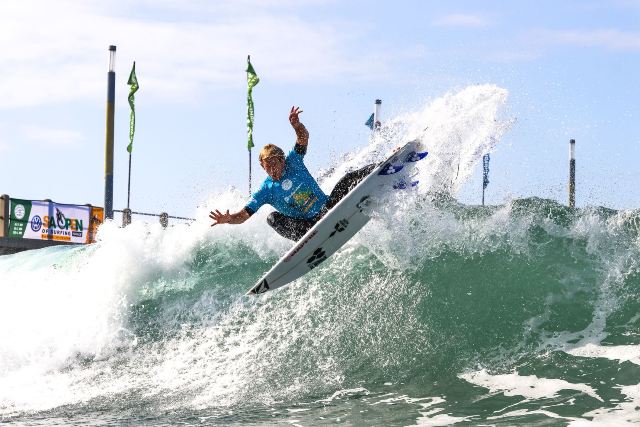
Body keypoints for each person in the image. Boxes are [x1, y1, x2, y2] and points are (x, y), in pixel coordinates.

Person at [209, 106, 375, 241]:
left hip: (329, 208)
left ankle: (387, 164)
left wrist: (297, 126)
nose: (272, 170)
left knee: (348, 178)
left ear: (282, 160)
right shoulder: (265, 190)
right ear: (262, 166)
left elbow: (303, 138)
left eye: (275, 164)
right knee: (272, 219)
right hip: (309, 227)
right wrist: (229, 219)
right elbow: (244, 215)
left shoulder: (293, 161)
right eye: (267, 166)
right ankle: (309, 241)